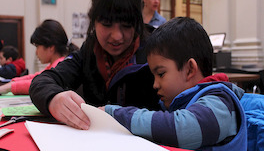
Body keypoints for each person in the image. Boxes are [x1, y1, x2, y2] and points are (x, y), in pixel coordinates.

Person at [29, 0, 160, 130]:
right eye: (106, 24)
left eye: (126, 25)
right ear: (93, 20)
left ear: (137, 22)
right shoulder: (89, 50)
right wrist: (53, 99)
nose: (117, 36)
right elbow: (42, 81)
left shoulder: (157, 50)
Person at [100, 17, 247, 150]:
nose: (155, 84)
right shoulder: (184, 103)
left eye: (161, 74)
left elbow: (182, 130)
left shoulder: (220, 103)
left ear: (189, 69)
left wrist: (114, 114)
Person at [0, 19, 78, 95]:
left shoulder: (60, 65)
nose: (36, 52)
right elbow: (37, 76)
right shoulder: (56, 64)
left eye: (37, 46)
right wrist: (12, 83)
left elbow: (41, 82)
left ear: (50, 47)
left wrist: (9, 87)